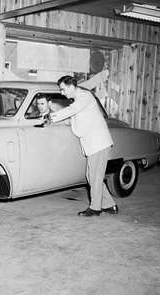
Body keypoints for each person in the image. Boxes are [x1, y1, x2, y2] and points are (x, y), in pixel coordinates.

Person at [48, 75, 118, 217]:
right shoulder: (79, 100)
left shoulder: (84, 97)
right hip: (94, 144)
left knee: (94, 177)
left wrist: (51, 116)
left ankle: (95, 208)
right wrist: (52, 120)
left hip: (98, 143)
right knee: (92, 176)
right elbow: (73, 119)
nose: (62, 93)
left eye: (63, 89)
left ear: (71, 86)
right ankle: (110, 204)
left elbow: (71, 111)